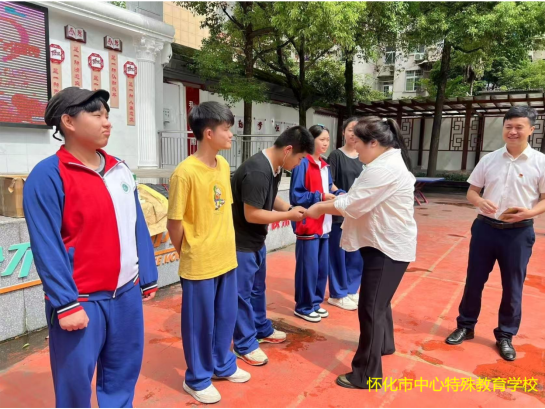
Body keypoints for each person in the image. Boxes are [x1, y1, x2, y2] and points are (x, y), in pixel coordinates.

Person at [23, 88, 159, 408]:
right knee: (74, 385)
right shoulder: (48, 175)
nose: (107, 122)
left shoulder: (119, 168)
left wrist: (147, 274)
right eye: (97, 115)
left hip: (125, 295)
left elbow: (136, 223)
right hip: (82, 301)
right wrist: (66, 303)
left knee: (122, 376)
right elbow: (46, 244)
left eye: (107, 115)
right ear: (68, 122)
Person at [305, 117, 416, 389]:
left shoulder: (384, 168)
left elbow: (354, 205)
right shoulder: (383, 162)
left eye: (359, 144)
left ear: (374, 143)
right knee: (379, 302)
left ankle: (367, 374)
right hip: (385, 244)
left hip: (386, 248)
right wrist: (337, 199)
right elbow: (358, 198)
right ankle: (384, 344)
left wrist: (318, 208)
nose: (355, 149)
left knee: (370, 307)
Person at [445, 106, 545, 362]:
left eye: (519, 127)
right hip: (485, 229)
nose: (513, 131)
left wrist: (530, 212)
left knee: (513, 286)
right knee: (474, 280)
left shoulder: (541, 162)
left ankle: (505, 335)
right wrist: (479, 201)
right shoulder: (489, 159)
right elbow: (472, 192)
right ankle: (466, 326)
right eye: (508, 126)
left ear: (531, 130)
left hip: (518, 233)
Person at [167, 102, 250, 405]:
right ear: (209, 133)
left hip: (226, 256)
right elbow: (174, 223)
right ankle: (197, 378)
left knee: (226, 317)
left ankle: (223, 365)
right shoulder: (185, 173)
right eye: (227, 129)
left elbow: (222, 209)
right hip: (200, 261)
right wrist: (187, 252)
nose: (231, 134)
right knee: (199, 324)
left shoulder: (224, 165)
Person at [231, 126, 314, 366]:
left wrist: (289, 208)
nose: (299, 164)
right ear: (288, 150)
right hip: (241, 243)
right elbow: (253, 214)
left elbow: (270, 196)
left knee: (258, 289)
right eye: (300, 158)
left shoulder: (274, 167)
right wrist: (288, 216)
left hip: (257, 241)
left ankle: (261, 328)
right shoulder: (257, 170)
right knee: (241, 296)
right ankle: (244, 344)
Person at [290, 125, 344, 323]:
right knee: (308, 269)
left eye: (327, 140)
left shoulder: (324, 165)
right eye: (322, 139)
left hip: (324, 225)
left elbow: (329, 187)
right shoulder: (302, 163)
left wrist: (340, 193)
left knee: (321, 268)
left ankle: (315, 302)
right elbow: (296, 195)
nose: (325, 143)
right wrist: (320, 196)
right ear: (311, 140)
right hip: (308, 225)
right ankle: (303, 306)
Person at [327, 117, 365, 311]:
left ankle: (351, 290)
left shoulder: (364, 156)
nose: (353, 134)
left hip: (359, 213)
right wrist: (344, 195)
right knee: (338, 255)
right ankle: (337, 293)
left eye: (357, 130)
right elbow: (329, 182)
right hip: (340, 212)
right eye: (350, 129)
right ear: (343, 132)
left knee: (357, 255)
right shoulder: (336, 155)